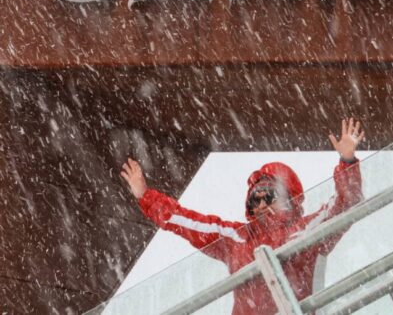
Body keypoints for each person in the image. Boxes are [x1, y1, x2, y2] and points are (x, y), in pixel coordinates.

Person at [120, 118, 365, 314]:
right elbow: (187, 221)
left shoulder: (307, 228)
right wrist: (145, 196)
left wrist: (347, 160)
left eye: (268, 196)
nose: (260, 204)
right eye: (254, 198)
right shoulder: (235, 237)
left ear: (289, 197)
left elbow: (346, 204)